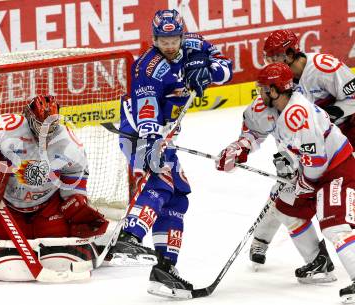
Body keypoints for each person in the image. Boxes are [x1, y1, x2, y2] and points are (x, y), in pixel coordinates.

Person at [108, 9, 233, 298]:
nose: (169, 45)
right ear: (153, 39)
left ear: (181, 34)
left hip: (166, 137)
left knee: (177, 196)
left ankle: (164, 270)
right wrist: (152, 145)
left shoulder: (194, 44)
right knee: (160, 181)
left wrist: (208, 70)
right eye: (162, 40)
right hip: (140, 134)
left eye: (173, 39)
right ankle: (129, 238)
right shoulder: (147, 68)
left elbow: (226, 68)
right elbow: (147, 112)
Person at [217, 62, 355, 303]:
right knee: (286, 208)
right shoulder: (267, 106)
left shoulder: (299, 114)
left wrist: (302, 182)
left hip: (337, 170)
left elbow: (317, 161)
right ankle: (317, 263)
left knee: (335, 226)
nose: (259, 93)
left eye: (263, 88)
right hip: (310, 171)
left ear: (275, 90)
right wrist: (239, 148)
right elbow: (253, 131)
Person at [0, 95, 109, 281]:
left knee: (56, 248)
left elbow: (77, 171)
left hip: (47, 206)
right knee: (4, 245)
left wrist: (75, 198)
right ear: (28, 115)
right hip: (6, 203)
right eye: (39, 123)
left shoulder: (69, 143)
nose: (44, 130)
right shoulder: (6, 127)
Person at [248, 29, 355, 272]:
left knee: (338, 195)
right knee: (284, 191)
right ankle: (261, 240)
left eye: (275, 57)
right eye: (268, 58)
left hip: (347, 132)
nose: (271, 63)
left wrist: (333, 113)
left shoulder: (323, 67)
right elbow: (283, 127)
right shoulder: (281, 84)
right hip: (319, 144)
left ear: (290, 52)